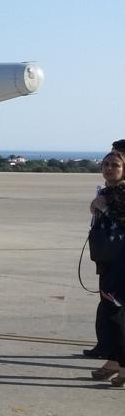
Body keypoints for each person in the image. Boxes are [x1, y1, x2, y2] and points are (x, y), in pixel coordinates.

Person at [87, 150, 125, 382]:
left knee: (115, 312)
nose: (110, 168)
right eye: (106, 164)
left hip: (121, 260)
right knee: (111, 311)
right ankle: (114, 361)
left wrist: (104, 207)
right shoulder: (110, 191)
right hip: (109, 260)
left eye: (116, 165)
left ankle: (121, 364)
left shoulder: (120, 192)